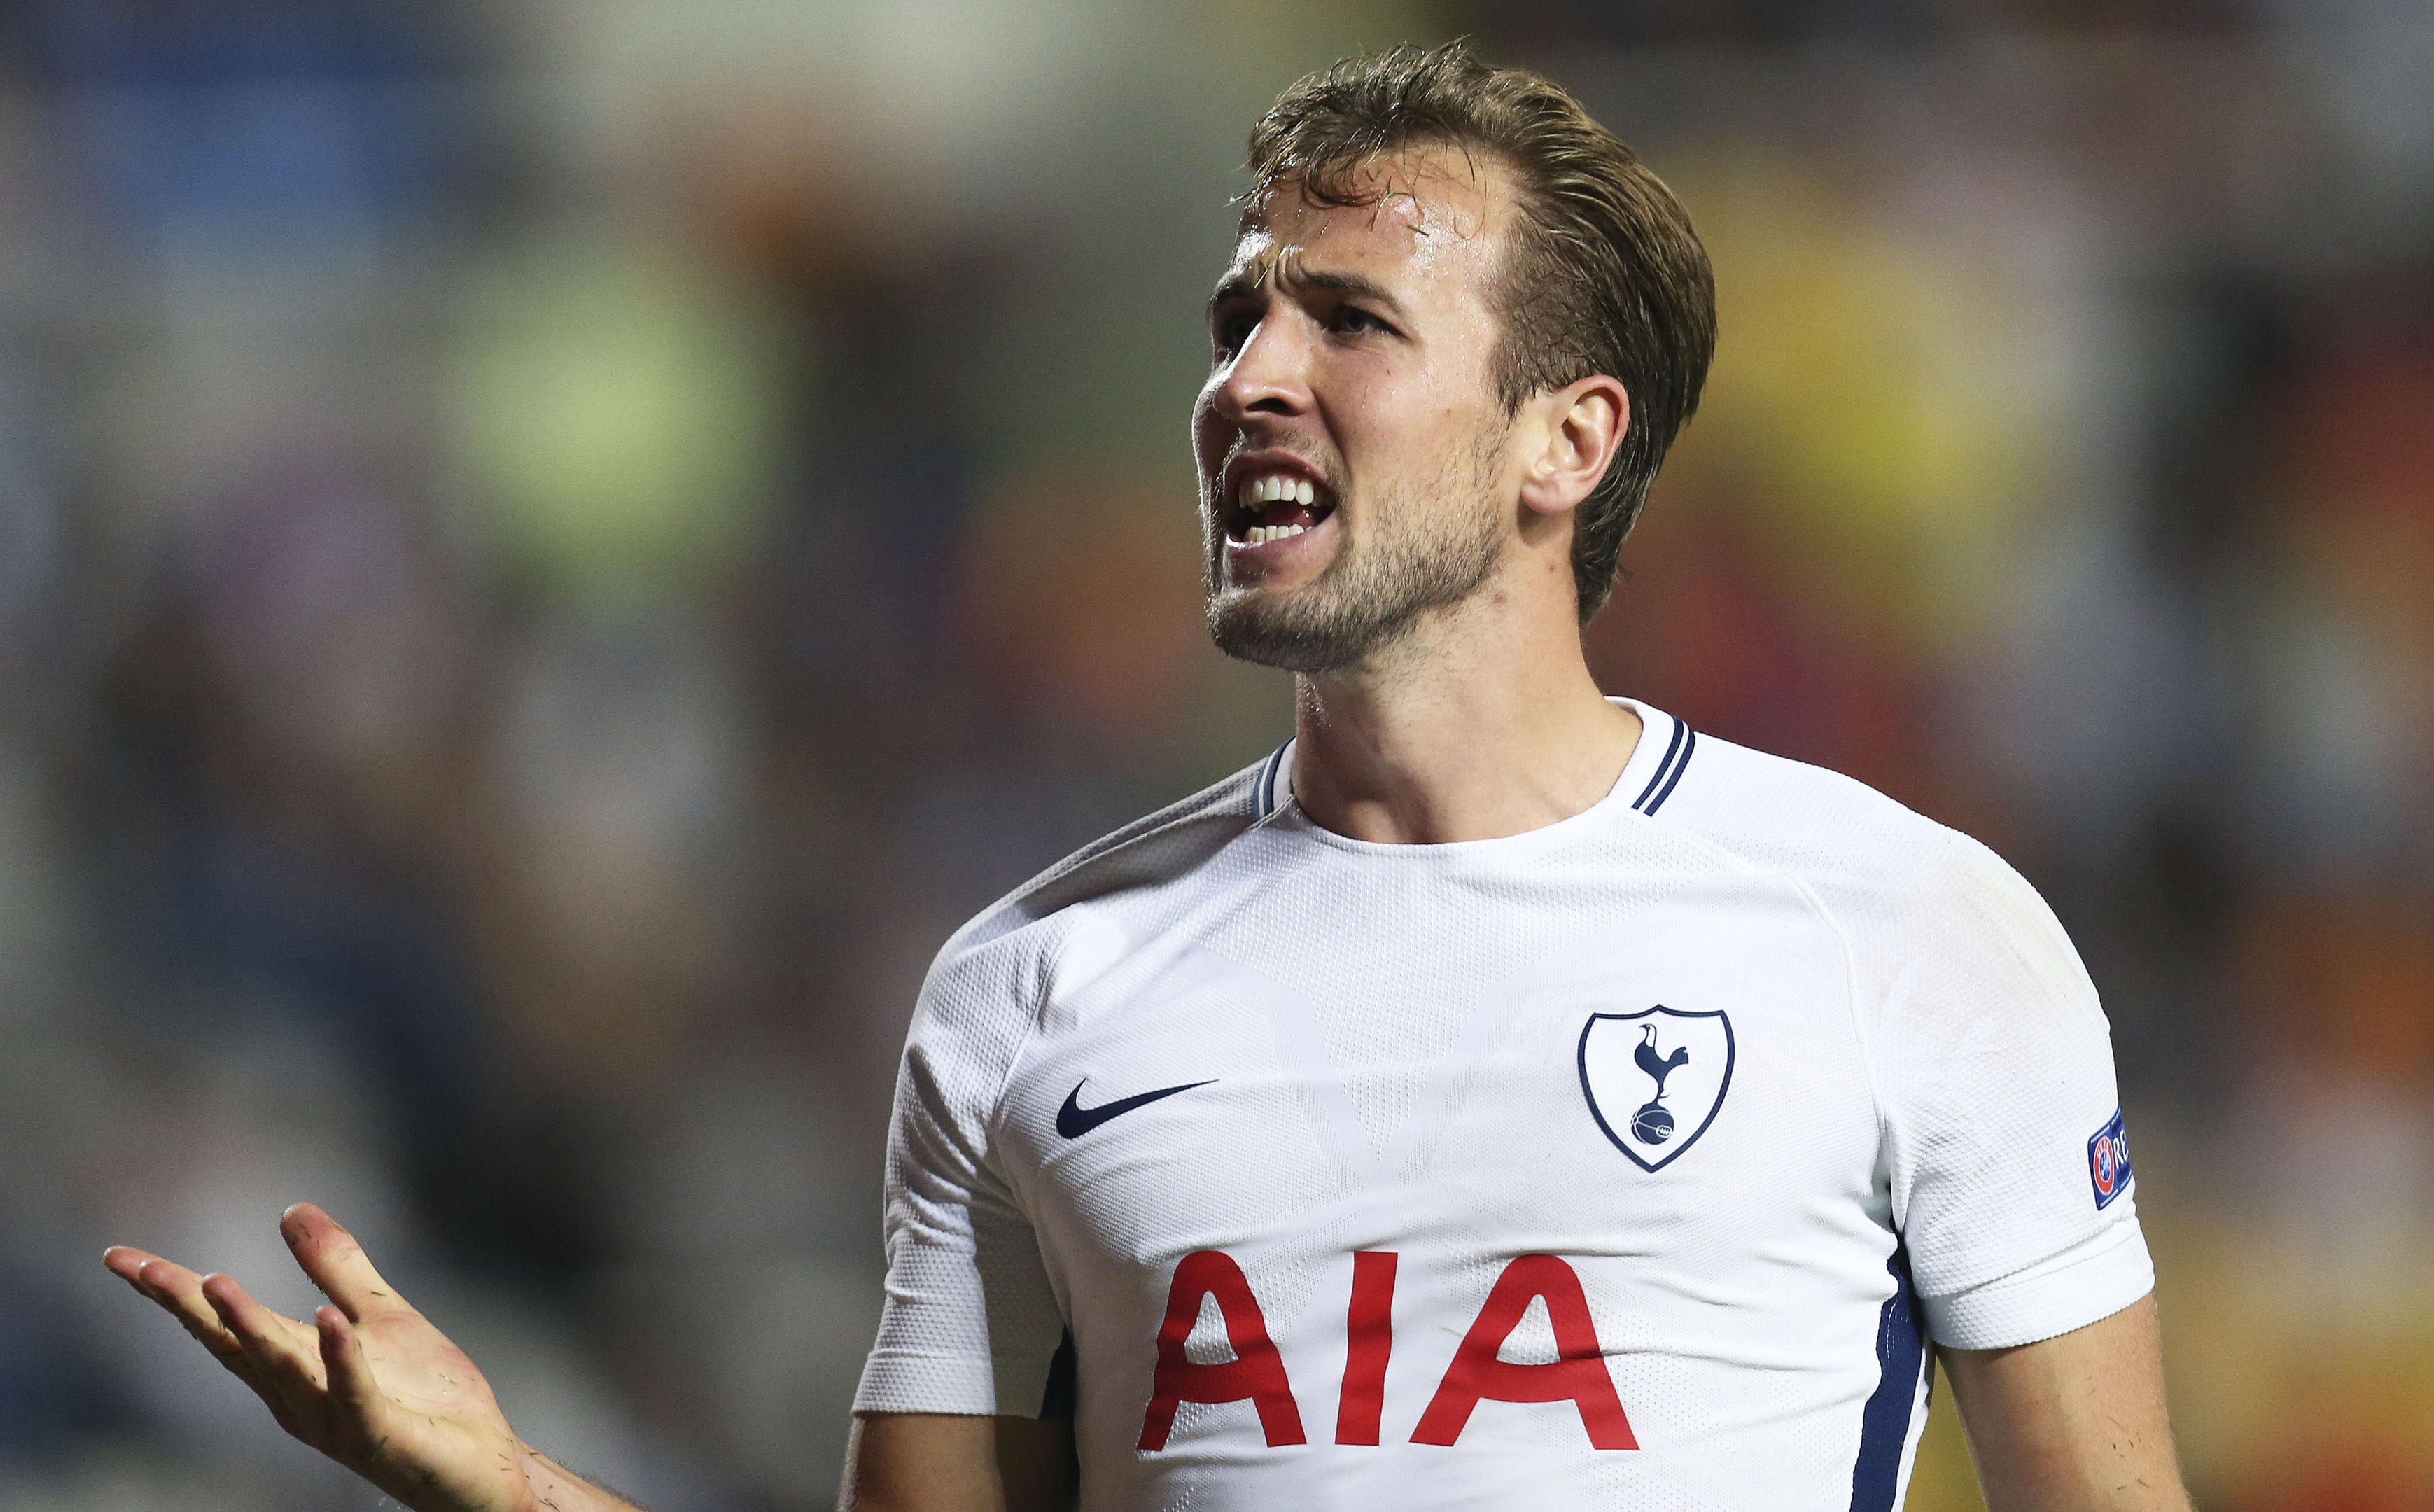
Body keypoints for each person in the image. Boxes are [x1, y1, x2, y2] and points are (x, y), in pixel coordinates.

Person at [101, 41, 2192, 1512]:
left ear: (1568, 440)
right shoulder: (1031, 990)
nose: (1244, 379)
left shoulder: (1912, 934)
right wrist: (509, 1489)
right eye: (1236, 315)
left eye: (1348, 322)